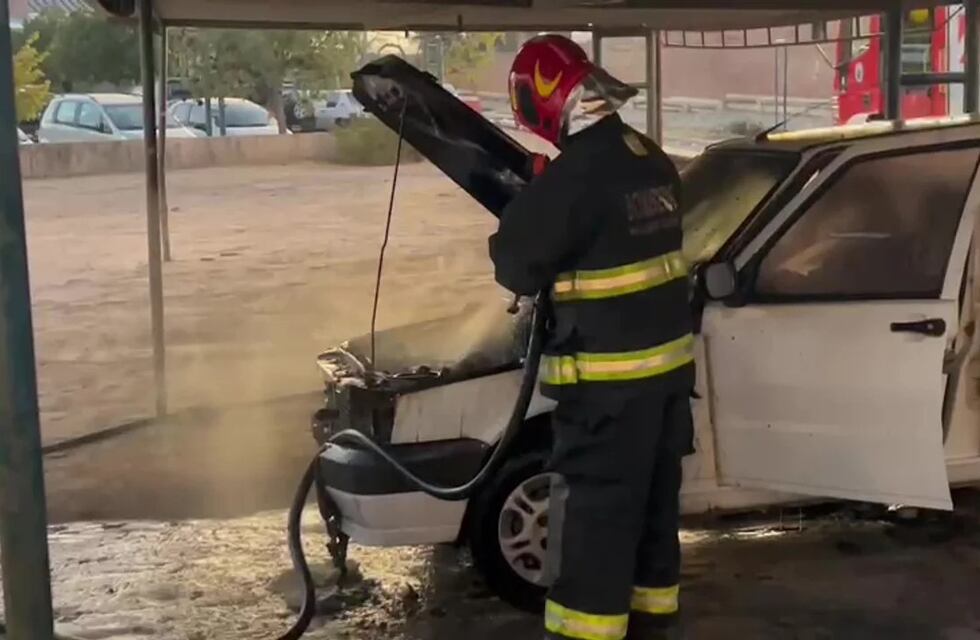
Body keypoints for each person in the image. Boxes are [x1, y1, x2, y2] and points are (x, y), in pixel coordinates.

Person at [488, 34, 696, 640]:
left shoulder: (577, 175)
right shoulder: (648, 156)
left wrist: (535, 198)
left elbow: (516, 262)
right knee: (653, 524)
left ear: (548, 100)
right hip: (664, 388)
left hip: (608, 398)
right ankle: (655, 628)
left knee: (596, 534)